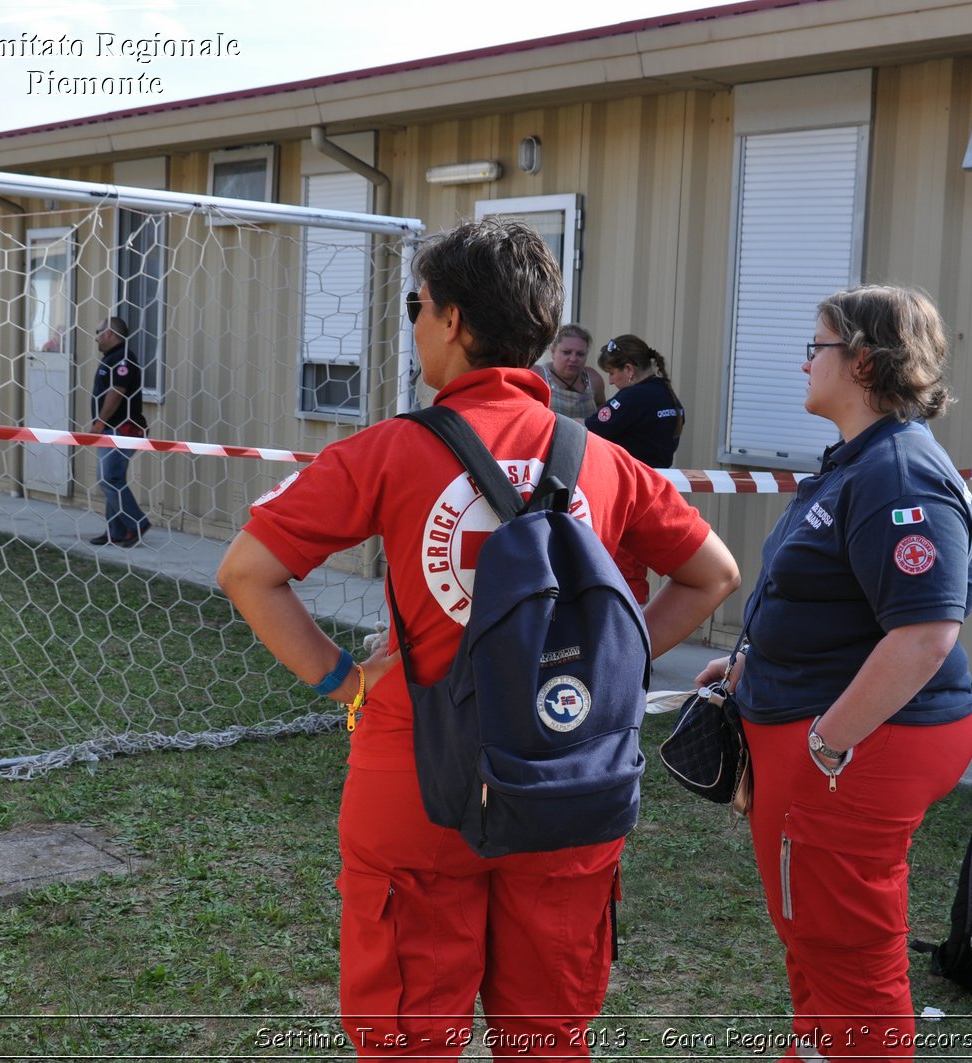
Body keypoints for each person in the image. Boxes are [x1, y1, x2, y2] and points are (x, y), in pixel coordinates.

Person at [216, 218, 739, 1059]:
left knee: (408, 1040)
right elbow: (714, 573)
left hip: (416, 775)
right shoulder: (604, 459)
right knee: (549, 1039)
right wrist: (615, 663)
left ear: (453, 321)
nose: (415, 322)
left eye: (416, 305)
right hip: (570, 774)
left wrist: (344, 681)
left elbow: (248, 571)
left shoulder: (384, 450)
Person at [696, 284, 972, 1060]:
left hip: (854, 744)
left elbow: (924, 632)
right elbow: (842, 601)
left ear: (862, 359)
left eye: (815, 345)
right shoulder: (861, 460)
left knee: (852, 952)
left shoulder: (898, 472)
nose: (802, 360)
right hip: (819, 726)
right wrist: (756, 661)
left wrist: (827, 741)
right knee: (813, 929)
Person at [585, 334, 686, 602]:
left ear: (629, 370)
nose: (609, 381)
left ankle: (626, 630)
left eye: (612, 373)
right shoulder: (667, 395)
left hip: (626, 494)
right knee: (632, 565)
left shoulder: (633, 398)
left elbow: (588, 431)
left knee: (621, 565)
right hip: (653, 491)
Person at [88, 316, 151, 547]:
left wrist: (99, 423)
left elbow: (117, 391)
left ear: (109, 334)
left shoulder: (123, 359)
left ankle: (137, 523)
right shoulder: (112, 358)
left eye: (98, 331)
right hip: (112, 429)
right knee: (110, 478)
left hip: (124, 429)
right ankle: (116, 531)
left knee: (109, 478)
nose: (95, 337)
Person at [537, 323, 605, 420]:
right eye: (566, 352)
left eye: (580, 354)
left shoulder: (593, 379)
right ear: (553, 351)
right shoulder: (539, 375)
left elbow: (602, 409)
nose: (573, 359)